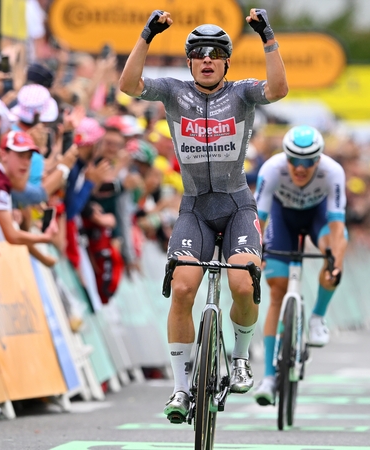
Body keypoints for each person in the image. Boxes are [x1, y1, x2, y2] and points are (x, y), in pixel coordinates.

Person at [119, 8, 288, 423]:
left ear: (226, 61)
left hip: (236, 207)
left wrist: (267, 38)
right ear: (190, 61)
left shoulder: (242, 93)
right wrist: (146, 36)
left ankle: (241, 357)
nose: (207, 59)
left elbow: (279, 89)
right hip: (193, 207)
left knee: (243, 285)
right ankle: (180, 386)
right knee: (180, 291)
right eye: (199, 54)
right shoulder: (174, 92)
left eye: (215, 53)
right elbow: (127, 85)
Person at [251, 125, 347, 405]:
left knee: (335, 252)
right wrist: (257, 254)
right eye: (293, 160)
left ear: (319, 160)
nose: (300, 168)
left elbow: (338, 225)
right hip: (283, 220)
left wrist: (336, 263)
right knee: (277, 291)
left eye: (308, 162)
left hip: (318, 218)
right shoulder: (271, 169)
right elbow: (260, 220)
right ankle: (268, 377)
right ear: (285, 157)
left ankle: (318, 316)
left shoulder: (333, 172)